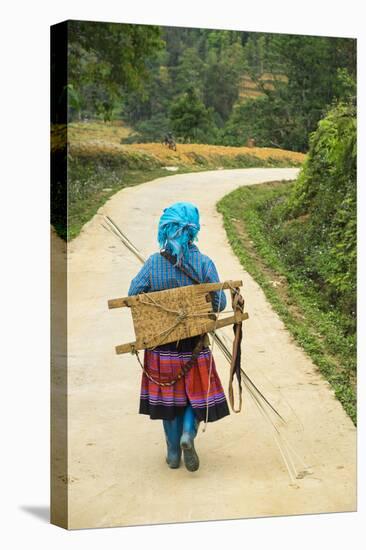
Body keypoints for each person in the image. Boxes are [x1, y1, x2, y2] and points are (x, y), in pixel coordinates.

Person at [128, 202, 230, 472]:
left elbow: (133, 295)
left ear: (165, 230)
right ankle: (188, 435)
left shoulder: (152, 263)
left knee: (169, 401)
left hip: (162, 349)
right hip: (195, 347)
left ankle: (173, 453)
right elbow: (219, 303)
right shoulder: (205, 263)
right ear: (193, 231)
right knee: (193, 398)